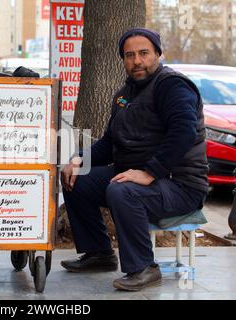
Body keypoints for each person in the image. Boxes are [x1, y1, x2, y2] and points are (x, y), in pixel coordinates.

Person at [60, 27, 208, 291]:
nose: (136, 61)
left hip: (180, 184)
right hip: (136, 175)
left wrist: (150, 172)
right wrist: (80, 159)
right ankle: (99, 254)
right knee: (76, 177)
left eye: (143, 53)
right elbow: (109, 143)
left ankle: (144, 268)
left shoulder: (172, 86)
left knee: (124, 191)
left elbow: (183, 132)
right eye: (129, 55)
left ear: (158, 54)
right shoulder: (124, 94)